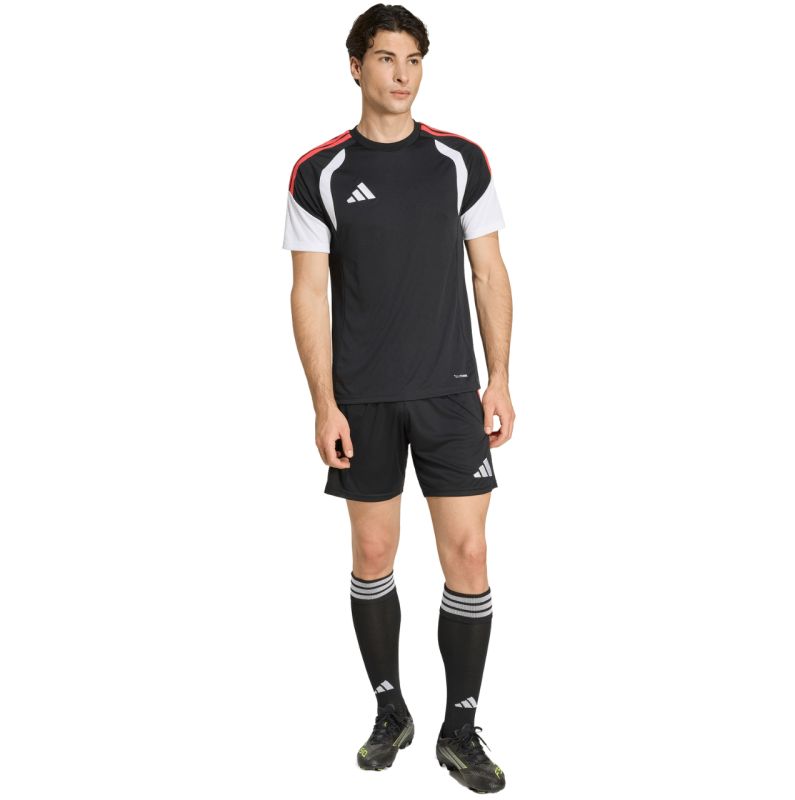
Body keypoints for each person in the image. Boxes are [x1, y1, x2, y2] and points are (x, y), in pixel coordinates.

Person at [282, 4, 514, 793]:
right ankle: (390, 711)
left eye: (413, 59)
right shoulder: (319, 171)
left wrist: (499, 378)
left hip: (450, 394)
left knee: (469, 556)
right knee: (374, 555)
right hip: (365, 400)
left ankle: (460, 727)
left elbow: (489, 272)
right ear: (356, 66)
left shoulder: (460, 160)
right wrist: (324, 404)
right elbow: (308, 293)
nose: (402, 74)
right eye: (385, 58)